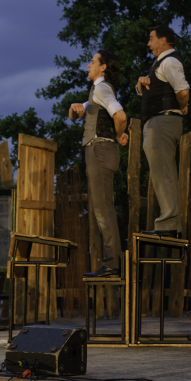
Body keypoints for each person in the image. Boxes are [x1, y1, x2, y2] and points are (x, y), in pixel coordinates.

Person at [69, 50, 129, 278]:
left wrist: (117, 133)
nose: (88, 65)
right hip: (100, 150)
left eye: (92, 62)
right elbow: (76, 114)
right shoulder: (98, 91)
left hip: (100, 151)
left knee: (103, 210)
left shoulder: (102, 88)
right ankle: (112, 263)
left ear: (103, 67)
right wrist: (74, 108)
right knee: (102, 208)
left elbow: (120, 117)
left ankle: (113, 264)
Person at [136, 26, 190, 238]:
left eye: (151, 39)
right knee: (162, 172)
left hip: (162, 122)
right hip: (160, 121)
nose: (149, 44)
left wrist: (179, 105)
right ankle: (170, 223)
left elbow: (183, 91)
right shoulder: (160, 63)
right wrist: (141, 83)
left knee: (163, 173)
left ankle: (168, 225)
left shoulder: (169, 61)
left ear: (163, 40)